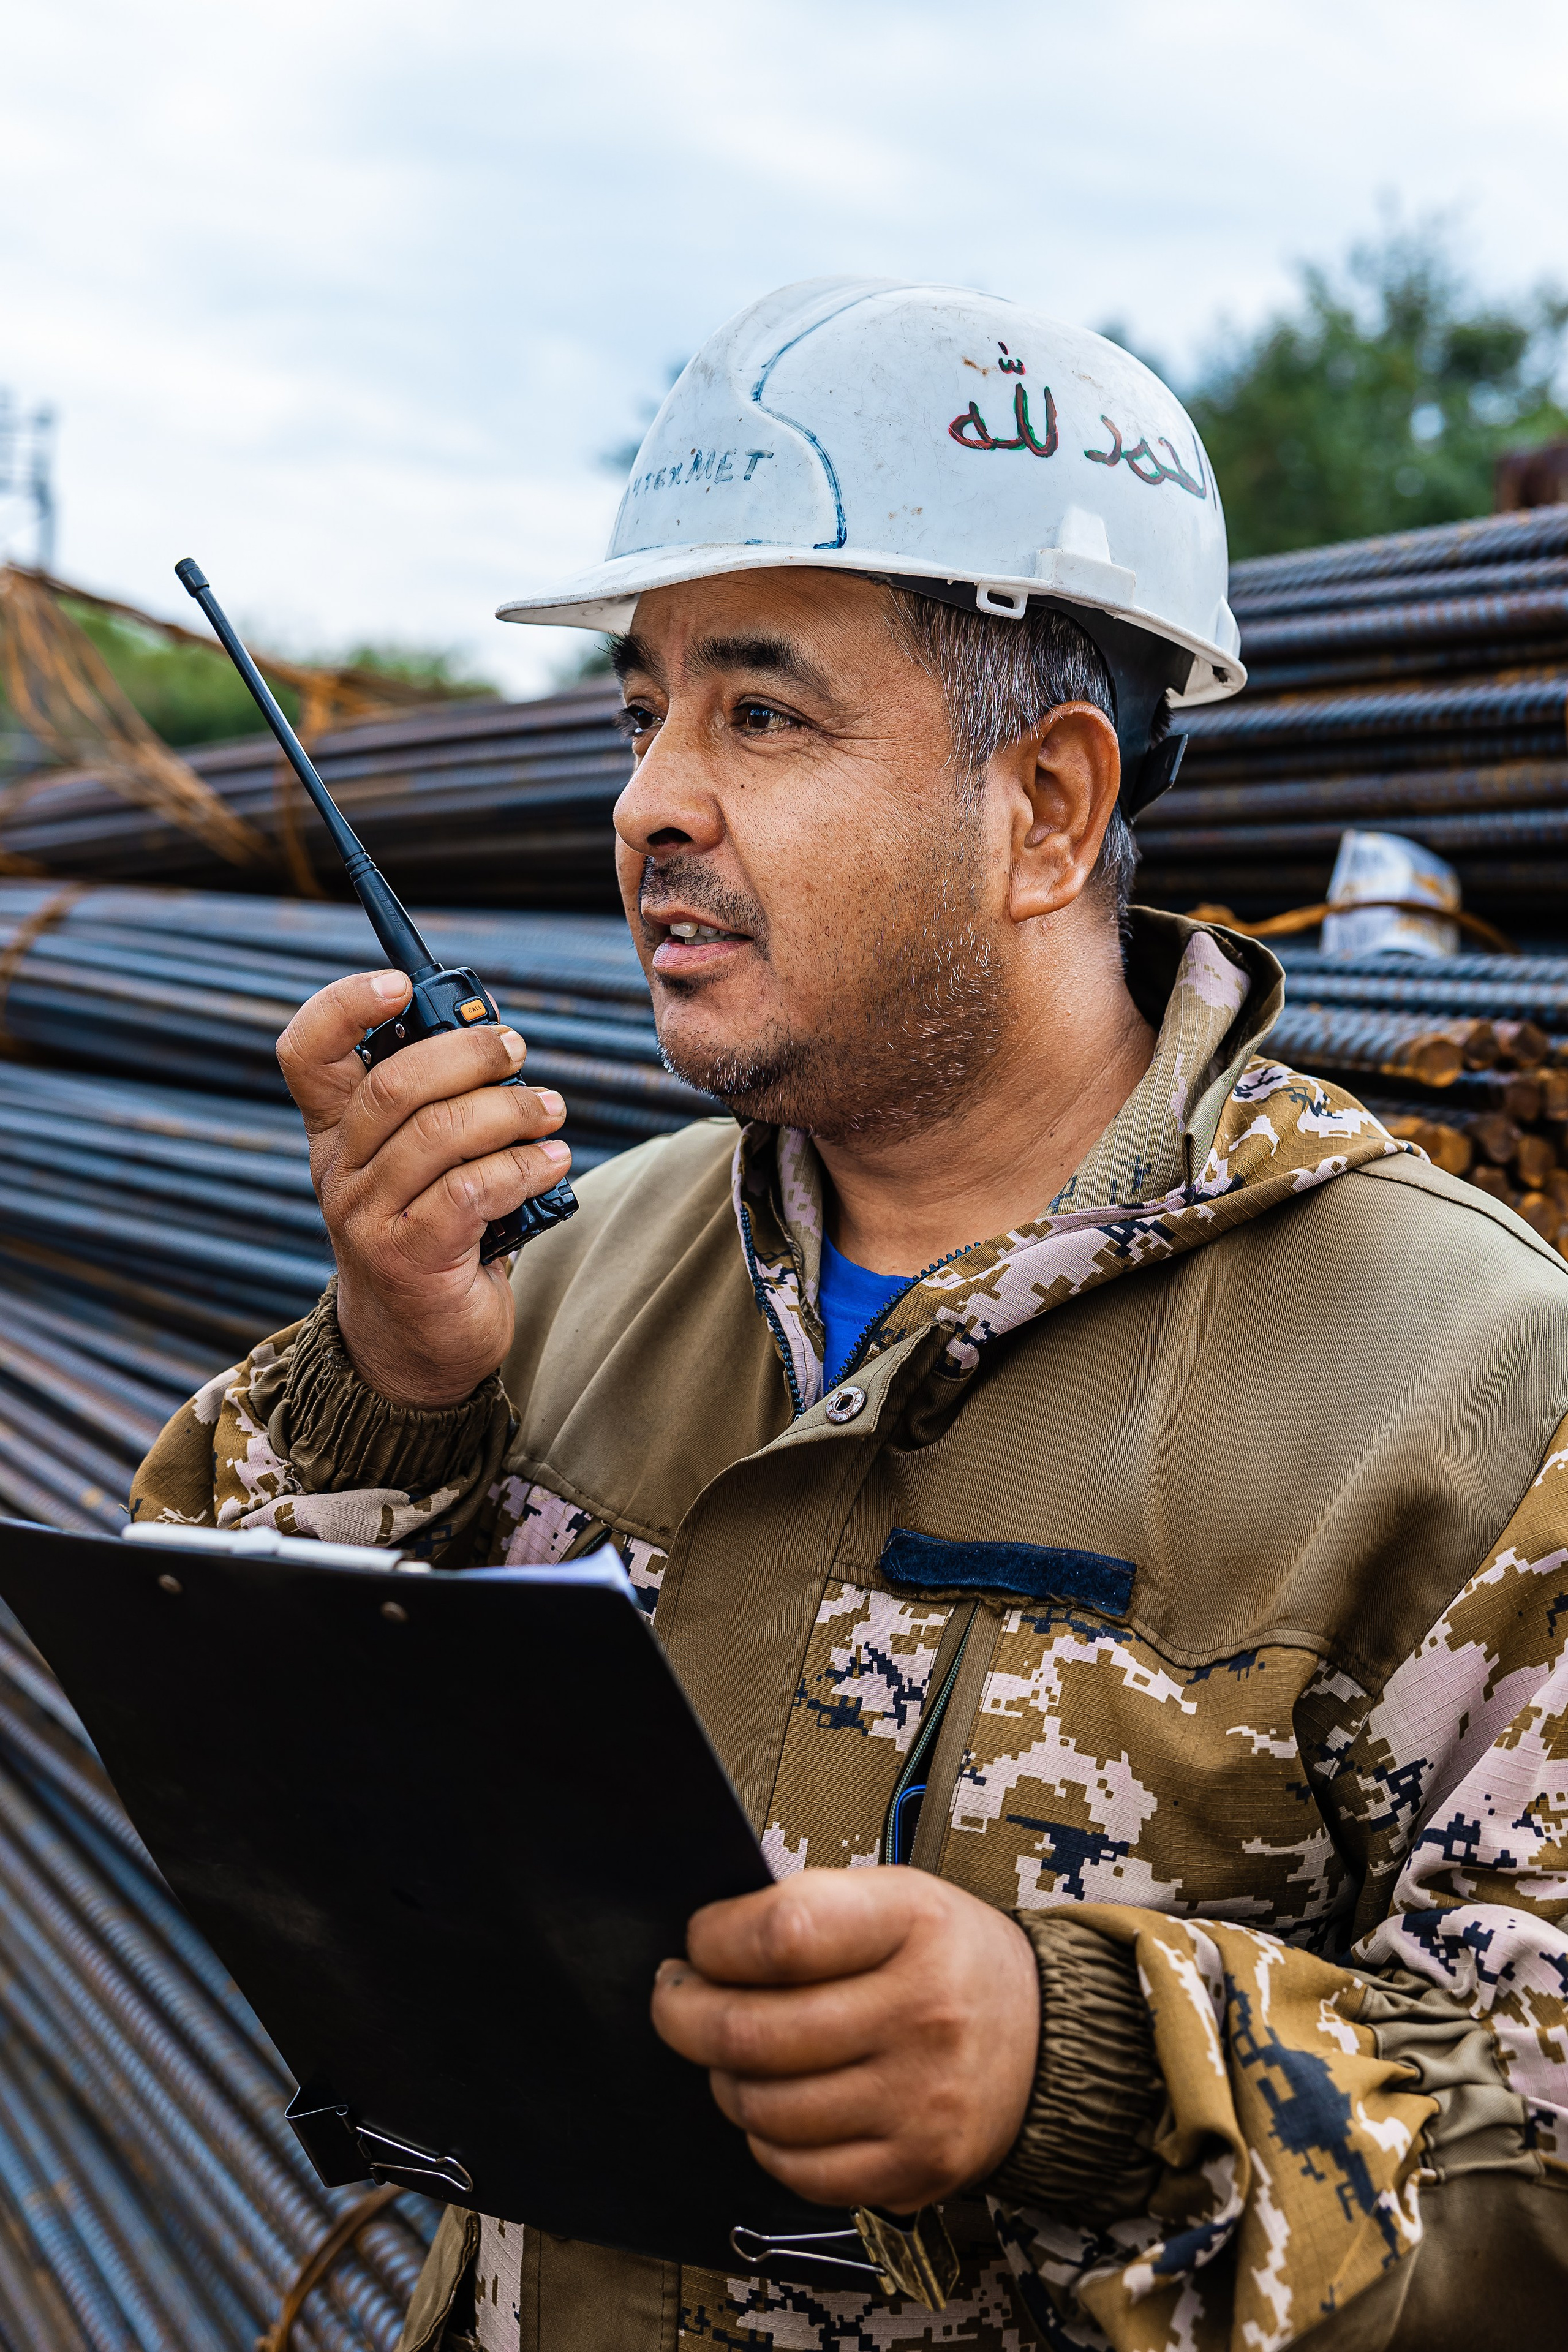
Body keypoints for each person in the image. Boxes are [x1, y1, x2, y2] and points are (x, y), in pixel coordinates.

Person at [133, 280, 1568, 2352]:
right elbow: (239, 1817)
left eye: (763, 714)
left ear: (1048, 810)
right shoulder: (555, 1270)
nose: (647, 807)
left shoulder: (1464, 1387)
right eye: (642, 713)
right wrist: (388, 1390)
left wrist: (1074, 2068)